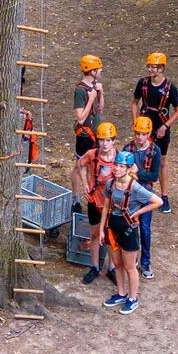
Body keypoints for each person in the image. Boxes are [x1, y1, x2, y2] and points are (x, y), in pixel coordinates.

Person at [99, 152, 161, 315]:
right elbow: (106, 206)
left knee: (129, 266)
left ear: (128, 169)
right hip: (112, 228)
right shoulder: (110, 184)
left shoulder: (135, 187)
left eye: (121, 167)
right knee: (117, 264)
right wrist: (101, 230)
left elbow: (158, 201)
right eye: (116, 165)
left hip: (128, 230)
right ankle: (121, 293)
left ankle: (133, 298)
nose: (117, 169)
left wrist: (138, 212)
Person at [131, 52, 178, 213]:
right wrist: (136, 121)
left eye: (154, 67)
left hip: (161, 127)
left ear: (161, 68)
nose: (150, 69)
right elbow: (134, 103)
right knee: (140, 157)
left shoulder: (170, 88)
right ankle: (141, 192)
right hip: (144, 127)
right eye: (149, 66)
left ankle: (164, 196)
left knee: (162, 162)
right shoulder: (143, 83)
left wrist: (165, 126)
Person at [71, 121, 118, 285]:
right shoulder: (92, 154)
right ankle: (95, 267)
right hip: (94, 201)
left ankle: (112, 268)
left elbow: (132, 171)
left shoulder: (119, 158)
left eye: (108, 140)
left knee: (112, 237)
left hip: (112, 204)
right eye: (102, 140)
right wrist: (85, 183)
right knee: (95, 234)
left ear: (113, 141)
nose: (104, 144)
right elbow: (80, 164)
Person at [124, 117, 162, 279]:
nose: (139, 137)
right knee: (128, 227)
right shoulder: (128, 149)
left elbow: (153, 176)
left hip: (145, 193)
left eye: (143, 134)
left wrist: (138, 172)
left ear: (148, 134)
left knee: (145, 229)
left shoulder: (154, 151)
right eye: (137, 133)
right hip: (130, 194)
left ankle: (145, 262)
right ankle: (130, 260)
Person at [74, 54, 105, 157]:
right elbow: (80, 119)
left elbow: (100, 108)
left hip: (96, 134)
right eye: (98, 69)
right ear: (92, 71)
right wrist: (91, 99)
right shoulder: (80, 91)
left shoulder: (95, 86)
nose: (100, 71)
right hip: (85, 137)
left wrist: (101, 93)